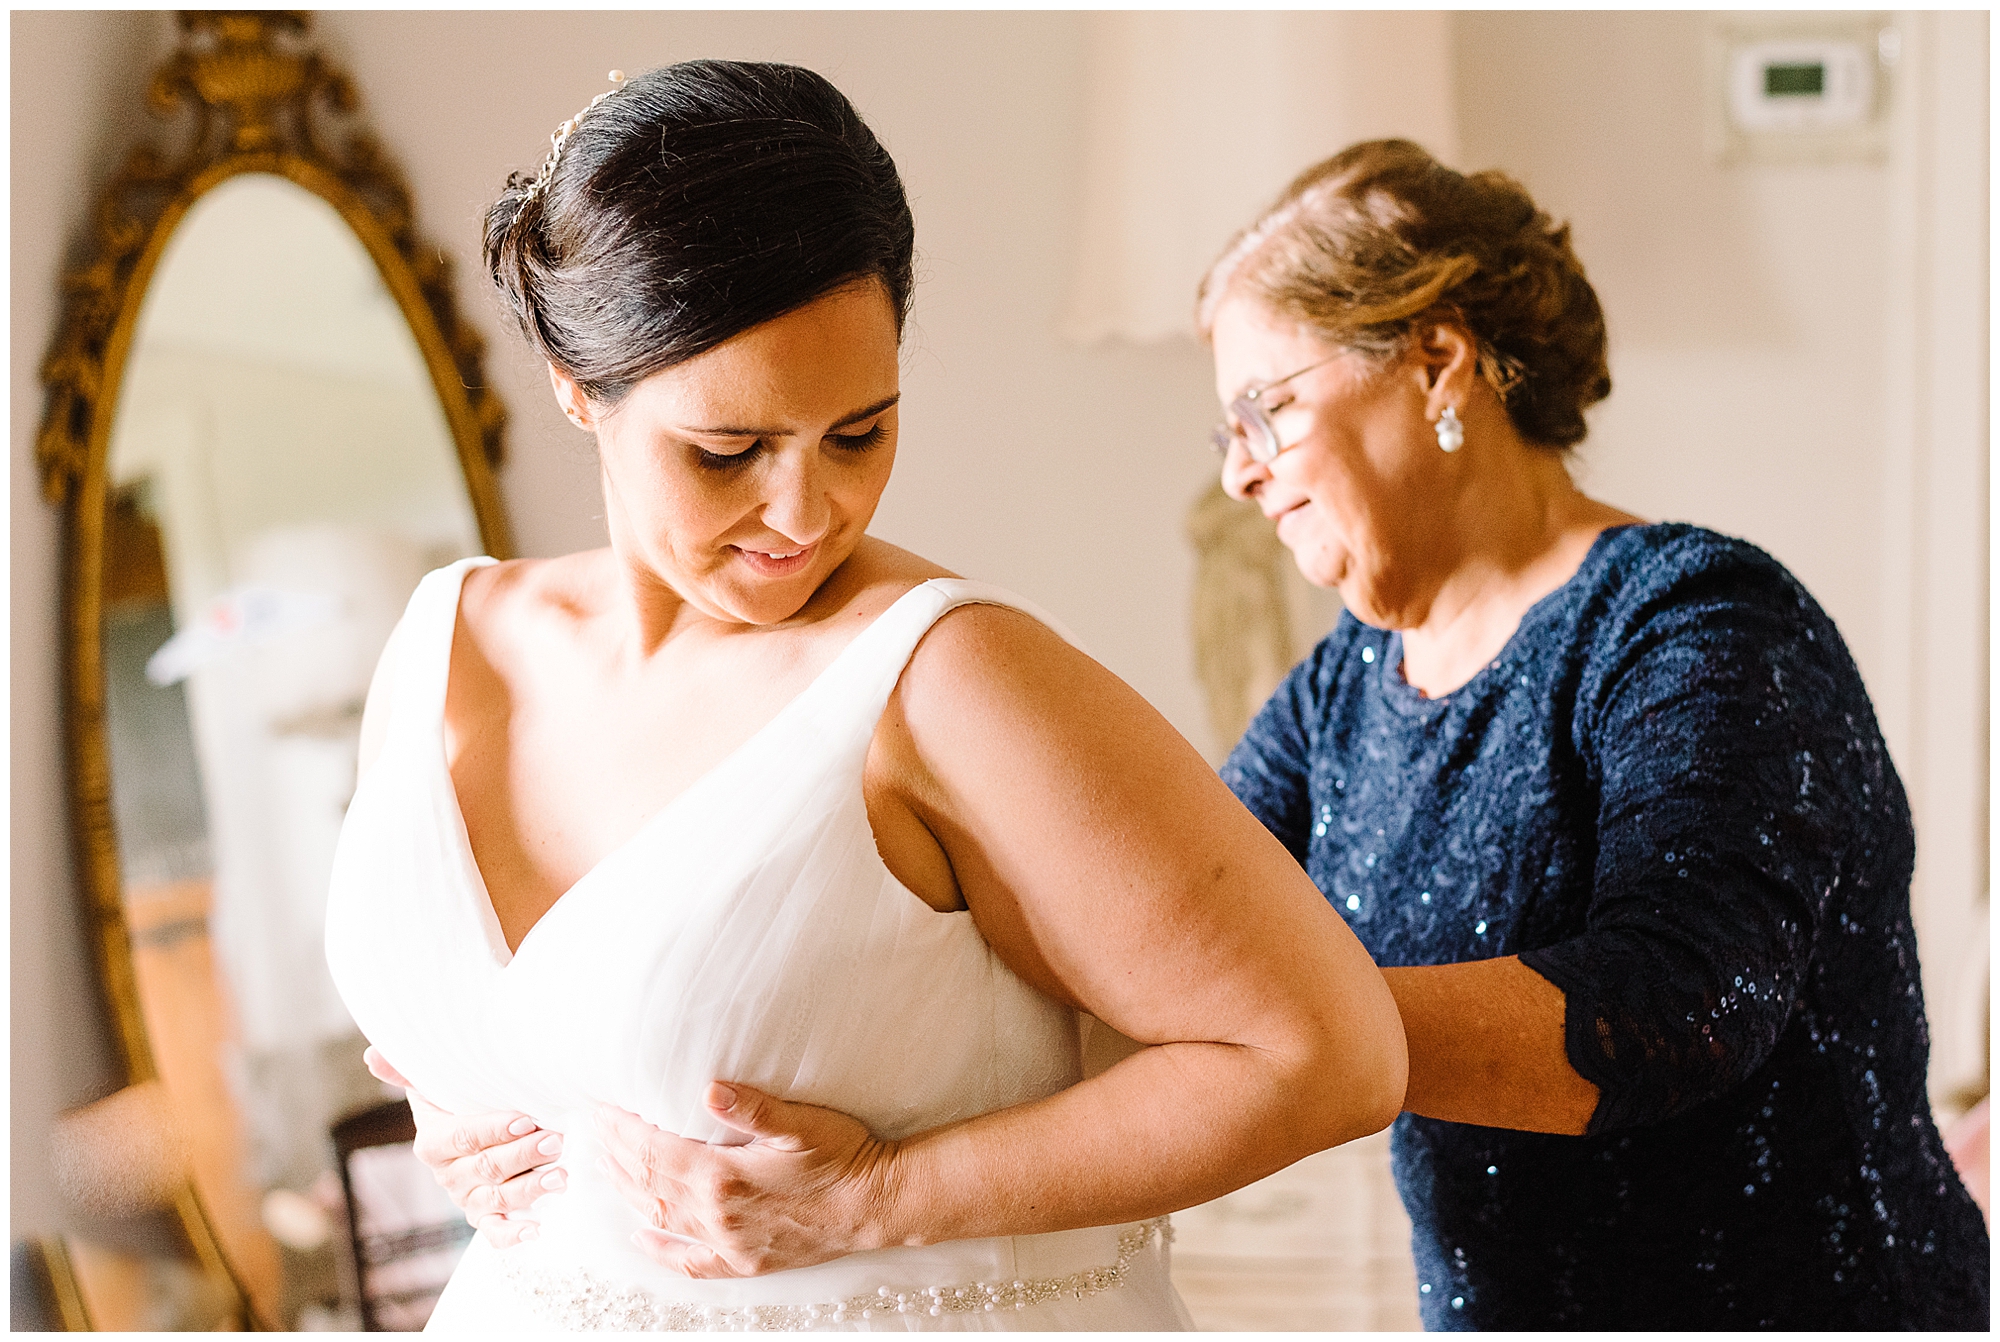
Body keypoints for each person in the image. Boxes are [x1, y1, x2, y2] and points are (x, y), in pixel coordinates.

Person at [410, 138, 1991, 1329]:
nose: (1240, 472)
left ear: (1437, 362)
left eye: (1264, 409)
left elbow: (1674, 1009)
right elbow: (1092, 960)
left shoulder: (1696, 620)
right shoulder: (1342, 693)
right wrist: (578, 1069)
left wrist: (1272, 1019)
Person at [325, 61, 1409, 1332]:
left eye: (859, 432)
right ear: (578, 385)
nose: (807, 512)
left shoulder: (946, 677)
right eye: (727, 451)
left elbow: (1326, 1054)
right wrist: (457, 1115)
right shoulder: (440, 642)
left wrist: (868, 1200)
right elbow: (541, 1037)